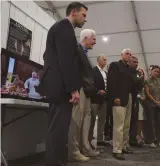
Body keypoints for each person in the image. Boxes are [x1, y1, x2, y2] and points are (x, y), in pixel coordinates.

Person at [36, 2, 87, 166]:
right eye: (83, 15)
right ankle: (55, 162)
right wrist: (73, 89)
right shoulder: (64, 28)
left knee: (56, 128)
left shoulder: (59, 28)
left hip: (56, 85)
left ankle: (55, 161)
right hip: (60, 87)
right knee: (59, 128)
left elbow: (49, 57)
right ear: (74, 12)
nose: (85, 19)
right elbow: (66, 61)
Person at [68, 29, 100, 162]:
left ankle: (85, 147)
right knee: (76, 121)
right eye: (93, 39)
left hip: (87, 91)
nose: (95, 41)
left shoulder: (85, 53)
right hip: (79, 89)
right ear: (86, 38)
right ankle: (73, 151)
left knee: (86, 120)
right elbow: (72, 70)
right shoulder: (76, 50)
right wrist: (74, 89)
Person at [107, 48, 135, 160]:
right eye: (127, 54)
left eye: (130, 54)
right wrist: (114, 96)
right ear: (121, 55)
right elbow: (111, 81)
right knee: (119, 125)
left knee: (126, 125)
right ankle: (117, 150)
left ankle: (124, 146)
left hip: (128, 97)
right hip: (118, 97)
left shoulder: (129, 69)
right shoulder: (115, 65)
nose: (129, 56)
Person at [89, 55, 108, 147]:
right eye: (104, 60)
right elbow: (90, 83)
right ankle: (88, 140)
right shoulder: (93, 71)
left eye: (106, 60)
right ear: (98, 60)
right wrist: (97, 90)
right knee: (92, 120)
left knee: (102, 120)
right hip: (95, 98)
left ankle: (100, 139)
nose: (105, 61)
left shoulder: (105, 73)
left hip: (104, 99)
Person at [144, 65, 160, 148]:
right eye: (155, 71)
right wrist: (155, 101)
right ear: (151, 71)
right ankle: (151, 140)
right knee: (151, 122)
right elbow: (147, 93)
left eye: (158, 71)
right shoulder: (147, 81)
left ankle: (159, 139)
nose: (156, 73)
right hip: (150, 104)